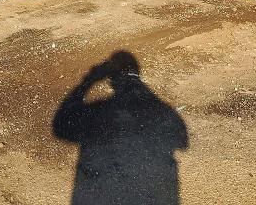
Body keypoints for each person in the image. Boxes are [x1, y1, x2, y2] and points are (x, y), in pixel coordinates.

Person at [53, 51, 188, 205]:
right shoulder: (162, 115)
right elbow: (182, 139)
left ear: (111, 81)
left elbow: (60, 125)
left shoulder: (99, 115)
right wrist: (142, 89)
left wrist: (88, 81)